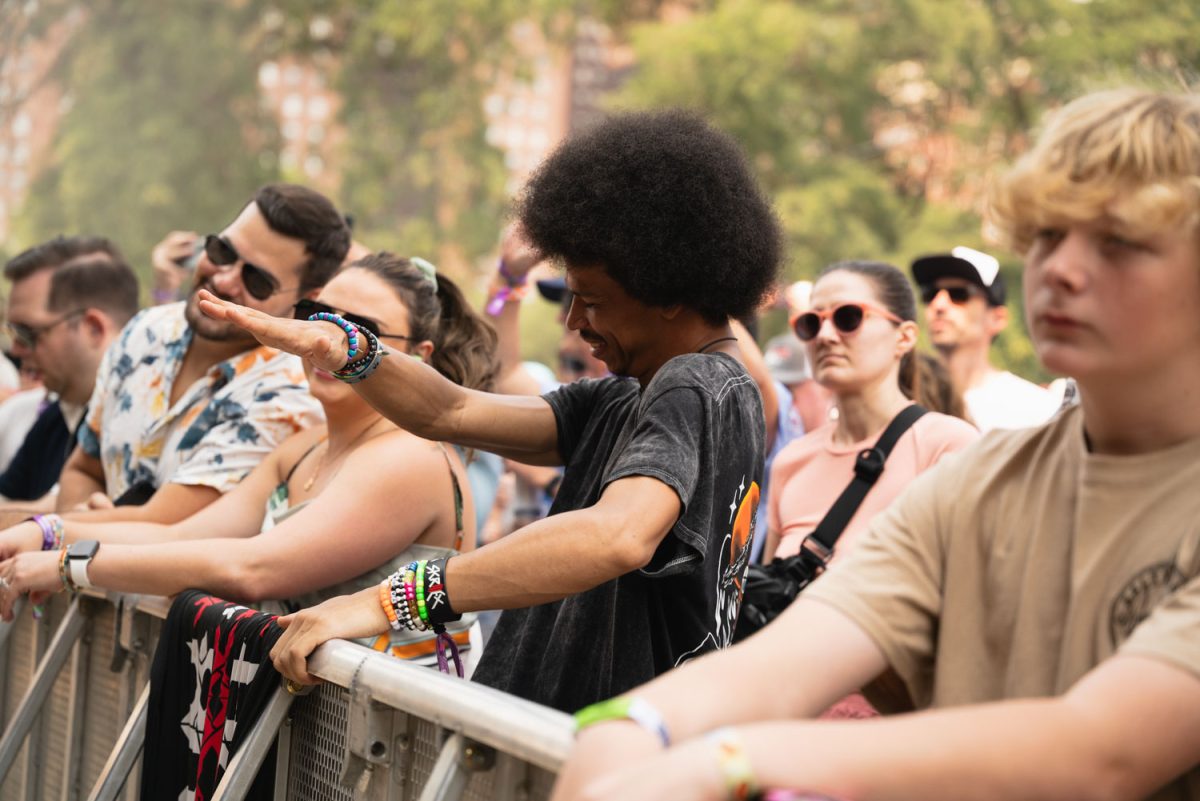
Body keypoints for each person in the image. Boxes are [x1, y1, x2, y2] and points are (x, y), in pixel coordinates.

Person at [551, 87, 1200, 801]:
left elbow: (1100, 752)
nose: (1061, 270)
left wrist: (728, 757)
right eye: (1048, 234)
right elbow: (801, 648)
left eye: (1118, 240)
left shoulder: (950, 450)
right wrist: (633, 723)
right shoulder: (981, 479)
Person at [198, 109, 782, 713]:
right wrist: (349, 351)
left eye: (594, 301)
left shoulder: (695, 384)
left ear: (669, 291)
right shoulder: (636, 393)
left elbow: (617, 535)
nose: (576, 322)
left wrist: (387, 601)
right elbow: (448, 410)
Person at [0, 254, 497, 662]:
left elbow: (251, 567)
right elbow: (179, 536)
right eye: (317, 316)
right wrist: (46, 532)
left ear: (420, 355)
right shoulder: (302, 447)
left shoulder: (410, 456)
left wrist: (71, 567)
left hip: (388, 759)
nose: (325, 341)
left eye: (361, 329)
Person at [37, 184, 350, 530]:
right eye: (222, 250)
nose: (225, 279)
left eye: (257, 280)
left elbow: (161, 527)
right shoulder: (147, 329)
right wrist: (77, 523)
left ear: (308, 299)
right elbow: (83, 468)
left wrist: (62, 532)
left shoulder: (290, 398)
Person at [764, 261, 978, 564]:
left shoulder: (948, 446)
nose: (824, 335)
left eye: (848, 317)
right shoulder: (791, 461)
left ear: (904, 337)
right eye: (811, 322)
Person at [0, 237, 139, 503]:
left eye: (27, 333)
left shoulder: (139, 420)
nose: (16, 349)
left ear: (93, 328)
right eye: (12, 332)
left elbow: (51, 516)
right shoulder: (58, 415)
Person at [912, 245, 1060, 431]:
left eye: (959, 294)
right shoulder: (904, 398)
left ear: (997, 318)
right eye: (930, 294)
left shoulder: (1035, 410)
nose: (939, 304)